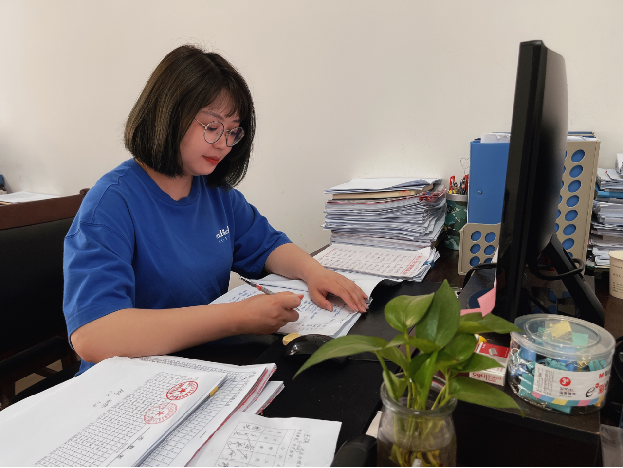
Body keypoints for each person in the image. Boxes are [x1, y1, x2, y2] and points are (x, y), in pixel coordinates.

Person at [63, 45, 368, 375]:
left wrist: (314, 272)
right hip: (128, 380)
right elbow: (93, 335)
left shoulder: (214, 193)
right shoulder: (110, 203)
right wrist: (235, 318)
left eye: (233, 131)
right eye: (212, 126)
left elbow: (267, 245)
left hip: (200, 366)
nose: (224, 143)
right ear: (167, 115)